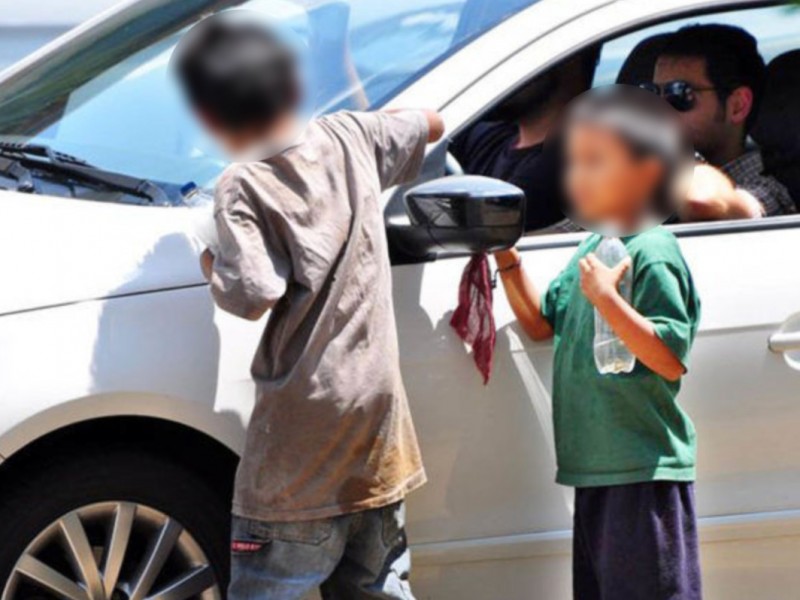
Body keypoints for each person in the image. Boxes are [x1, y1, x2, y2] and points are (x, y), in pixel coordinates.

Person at [172, 14, 444, 600]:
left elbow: (252, 294)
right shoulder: (351, 135)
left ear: (210, 119)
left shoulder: (242, 185)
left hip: (298, 457)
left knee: (274, 585)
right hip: (377, 439)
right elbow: (431, 124)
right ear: (296, 89)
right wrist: (385, 118)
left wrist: (207, 265)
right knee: (378, 585)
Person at [494, 87, 702, 599]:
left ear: (648, 171)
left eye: (594, 162)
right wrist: (505, 256)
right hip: (595, 470)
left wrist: (611, 302)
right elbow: (545, 323)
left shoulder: (653, 249)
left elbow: (668, 358)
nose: (576, 178)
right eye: (573, 163)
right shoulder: (595, 243)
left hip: (641, 469)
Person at [649, 24, 795, 220]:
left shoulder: (768, 189)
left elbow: (703, 202)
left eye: (679, 93)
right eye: (652, 93)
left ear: (737, 106)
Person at [450, 48, 599, 231]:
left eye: (515, 58)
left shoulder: (565, 168)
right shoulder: (490, 136)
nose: (497, 72)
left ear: (568, 60)